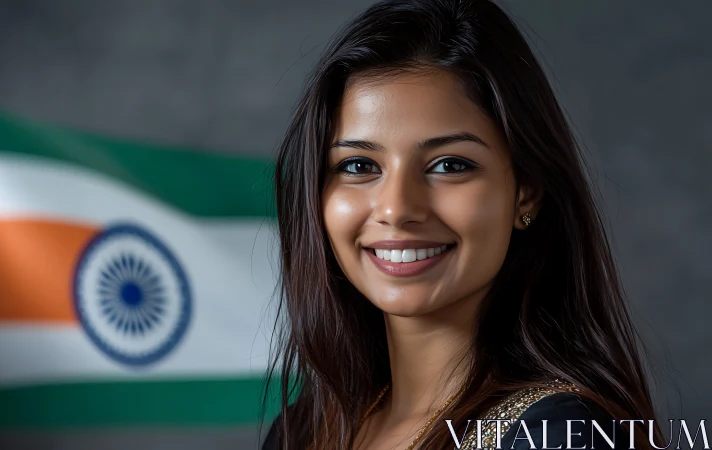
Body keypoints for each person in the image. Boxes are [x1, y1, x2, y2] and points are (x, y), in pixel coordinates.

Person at [260, 0, 666, 448]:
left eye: (449, 165)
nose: (396, 208)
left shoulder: (561, 435)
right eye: (358, 166)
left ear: (525, 192)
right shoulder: (304, 429)